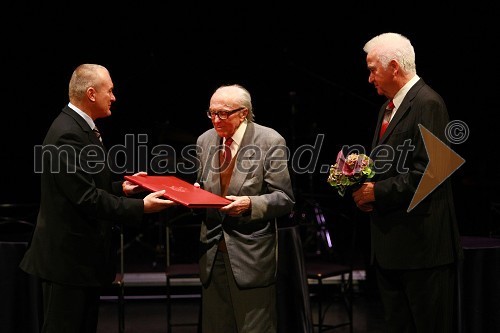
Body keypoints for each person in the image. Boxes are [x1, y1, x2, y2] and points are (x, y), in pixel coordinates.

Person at [19, 63, 176, 333]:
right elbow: (86, 198)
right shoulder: (67, 133)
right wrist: (141, 207)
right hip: (67, 264)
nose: (113, 97)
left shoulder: (79, 127)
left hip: (80, 263)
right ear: (91, 94)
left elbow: (86, 186)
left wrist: (122, 189)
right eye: (110, 91)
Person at [352, 33, 463, 333]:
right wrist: (360, 175)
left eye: (373, 69)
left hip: (422, 251)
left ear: (393, 68)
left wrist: (377, 192)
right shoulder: (387, 108)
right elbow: (392, 165)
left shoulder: (428, 103)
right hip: (394, 248)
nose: (370, 78)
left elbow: (432, 173)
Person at [195, 84, 295, 332]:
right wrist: (195, 194)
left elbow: (284, 199)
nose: (216, 120)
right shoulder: (205, 140)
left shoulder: (269, 140)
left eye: (223, 113)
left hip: (251, 254)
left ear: (243, 113)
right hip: (212, 252)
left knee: (254, 328)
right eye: (212, 113)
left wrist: (251, 204)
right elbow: (205, 186)